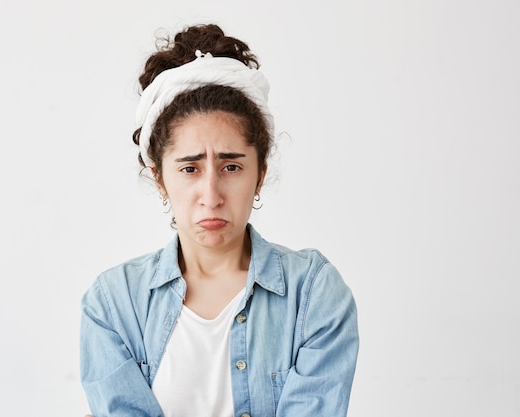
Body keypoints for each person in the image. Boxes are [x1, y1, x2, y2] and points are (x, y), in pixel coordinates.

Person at [80, 23, 359, 417]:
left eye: (230, 167)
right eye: (189, 169)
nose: (211, 196)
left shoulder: (313, 294)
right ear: (160, 177)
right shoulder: (113, 304)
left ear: (260, 173)